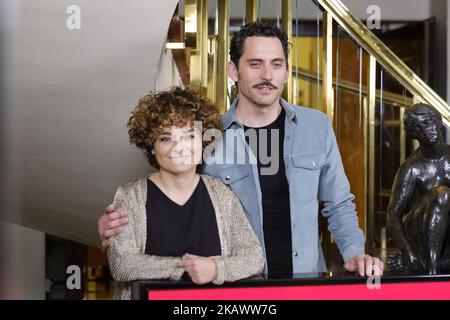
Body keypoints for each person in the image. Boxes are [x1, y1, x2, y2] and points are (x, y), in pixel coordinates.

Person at [99, 21, 383, 277]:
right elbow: (170, 195)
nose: (267, 75)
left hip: (304, 281)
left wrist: (354, 252)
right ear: (234, 70)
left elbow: (339, 204)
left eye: (276, 64)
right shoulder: (207, 135)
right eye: (255, 64)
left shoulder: (316, 126)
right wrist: (117, 227)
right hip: (236, 287)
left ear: (287, 71)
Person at [107, 87, 264, 299]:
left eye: (189, 136)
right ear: (151, 147)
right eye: (166, 138)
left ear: (203, 142)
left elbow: (254, 257)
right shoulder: (130, 195)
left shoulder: (221, 194)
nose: (179, 148)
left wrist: (215, 269)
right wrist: (183, 267)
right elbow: (121, 264)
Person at [387, 103, 450, 275]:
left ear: (437, 121)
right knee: (442, 193)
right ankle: (432, 268)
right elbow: (393, 215)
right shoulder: (411, 168)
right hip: (418, 231)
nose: (426, 130)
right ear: (413, 134)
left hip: (445, 236)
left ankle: (437, 261)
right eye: (418, 128)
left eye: (428, 122)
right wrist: (408, 251)